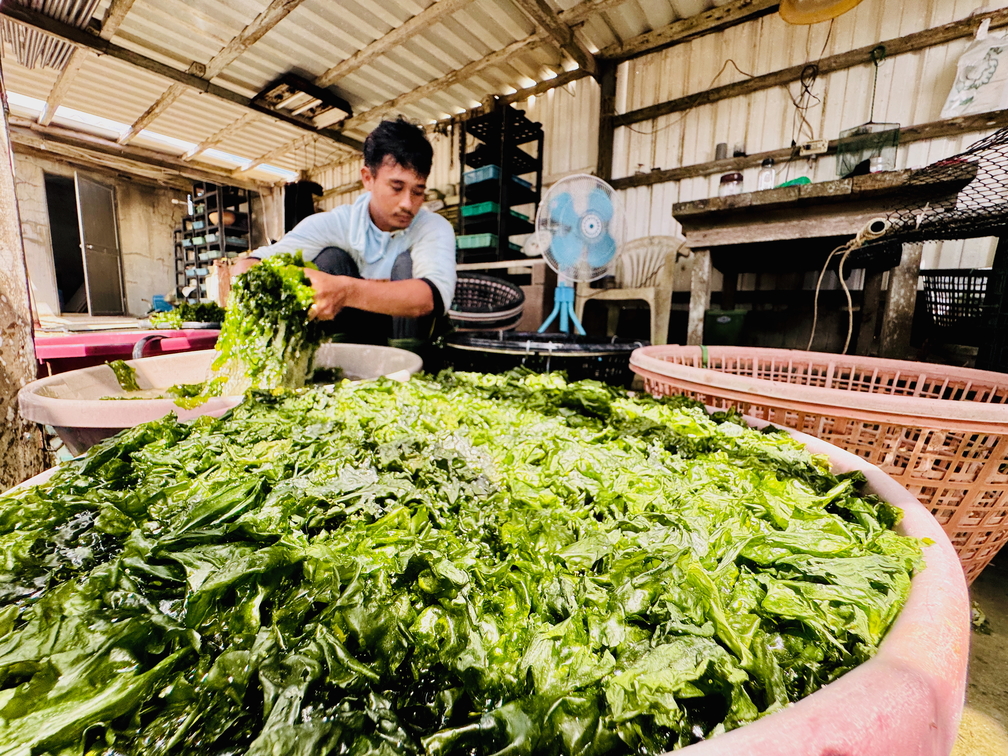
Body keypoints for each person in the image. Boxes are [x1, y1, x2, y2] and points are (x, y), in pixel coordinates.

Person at [232, 117, 456, 348]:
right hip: (351, 338)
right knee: (331, 259)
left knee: (405, 265)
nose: (407, 204)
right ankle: (344, 363)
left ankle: (412, 370)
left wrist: (346, 290)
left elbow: (431, 297)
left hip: (411, 340)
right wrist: (304, 279)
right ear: (368, 178)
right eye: (396, 188)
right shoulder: (334, 224)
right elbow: (247, 267)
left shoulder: (433, 227)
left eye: (418, 191)